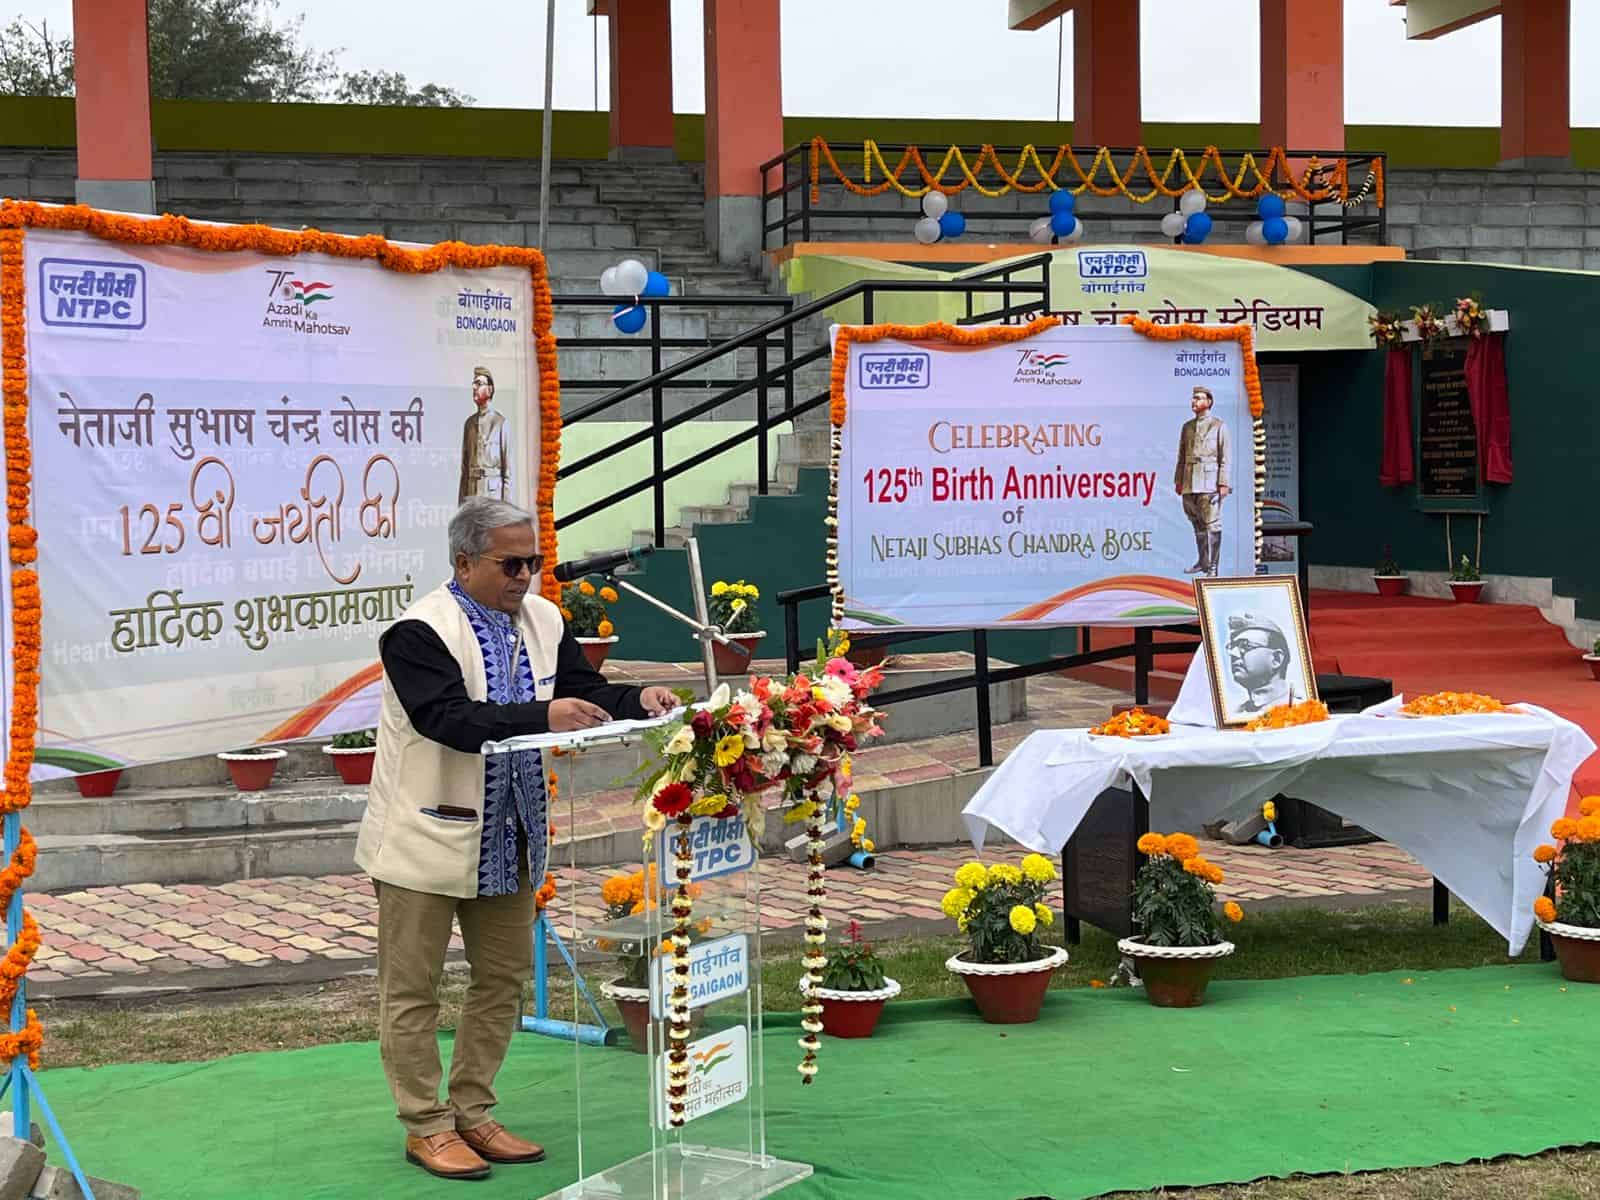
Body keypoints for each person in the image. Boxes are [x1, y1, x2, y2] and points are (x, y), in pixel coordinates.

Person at [356, 497, 677, 1182]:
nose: (525, 576)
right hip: (423, 839)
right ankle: (425, 1125)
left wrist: (636, 699)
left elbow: (583, 690)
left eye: (532, 561)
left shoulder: (546, 619)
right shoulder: (417, 632)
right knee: (412, 991)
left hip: (513, 835)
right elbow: (450, 720)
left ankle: (473, 1112)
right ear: (464, 561)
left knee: (501, 980)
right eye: (510, 564)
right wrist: (544, 715)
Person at [1173, 385, 1231, 576]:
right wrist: (1179, 480)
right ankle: (1203, 562)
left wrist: (1223, 483)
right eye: (1193, 398)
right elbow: (1182, 455)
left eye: (1198, 398)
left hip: (1209, 481)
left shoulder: (1219, 426)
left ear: (1209, 402)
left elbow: (1225, 457)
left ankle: (1213, 567)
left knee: (1212, 523)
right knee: (1196, 522)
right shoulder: (1187, 427)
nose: (1194, 401)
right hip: (1190, 481)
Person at [1226, 610, 1295, 715]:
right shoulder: (1234, 714)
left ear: (1276, 659)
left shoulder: (1301, 708)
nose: (1233, 654)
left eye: (1245, 646)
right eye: (1232, 647)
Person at [459, 366, 509, 502]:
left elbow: (507, 473)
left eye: (479, 383)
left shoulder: (500, 423)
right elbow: (464, 470)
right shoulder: (469, 424)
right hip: (472, 494)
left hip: (492, 495)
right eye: (474, 384)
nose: (474, 387)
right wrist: (461, 506)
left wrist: (506, 508)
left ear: (490, 389)